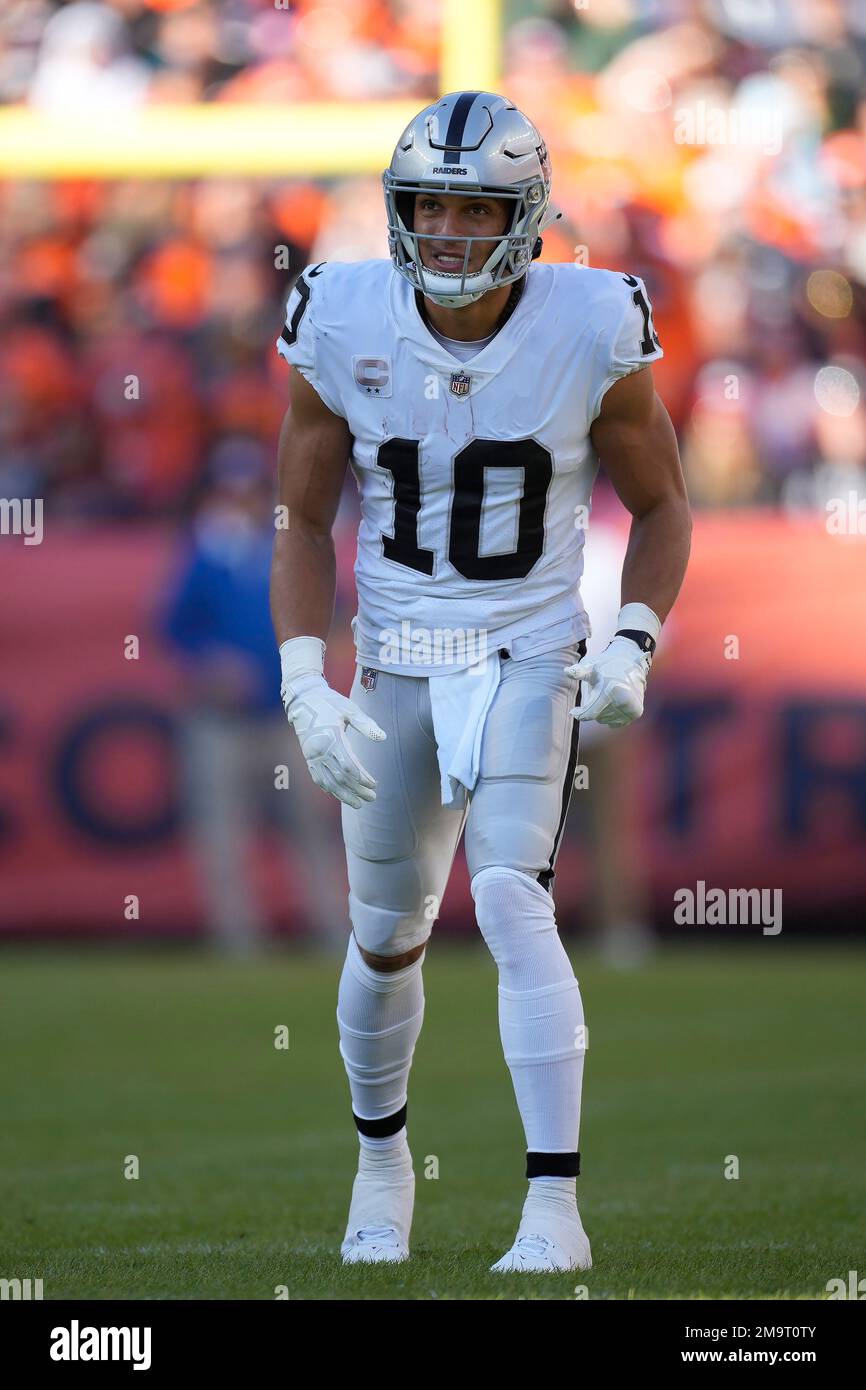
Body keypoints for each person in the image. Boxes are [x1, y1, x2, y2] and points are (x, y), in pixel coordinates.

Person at [270, 91, 691, 1272]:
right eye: (429, 205)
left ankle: (552, 1210)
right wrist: (305, 677)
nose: (448, 230)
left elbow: (660, 506)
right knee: (384, 938)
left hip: (524, 646)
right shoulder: (339, 311)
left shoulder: (590, 321)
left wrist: (633, 637)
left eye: (475, 207)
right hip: (396, 655)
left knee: (511, 896)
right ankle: (380, 1168)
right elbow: (300, 516)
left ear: (528, 217)